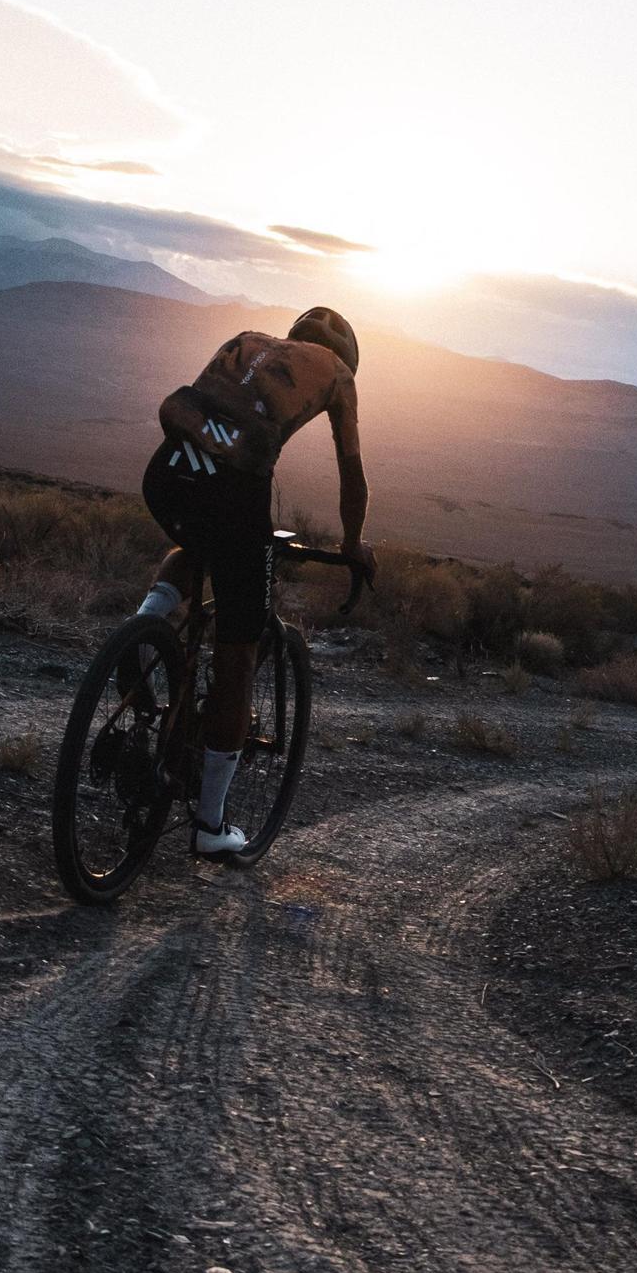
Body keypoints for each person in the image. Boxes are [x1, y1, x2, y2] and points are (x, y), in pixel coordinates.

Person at [136, 306, 376, 859]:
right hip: (233, 487)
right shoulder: (338, 374)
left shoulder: (246, 340)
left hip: (168, 468)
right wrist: (351, 543)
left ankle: (144, 625)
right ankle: (210, 826)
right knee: (238, 654)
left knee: (196, 547)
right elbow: (352, 475)